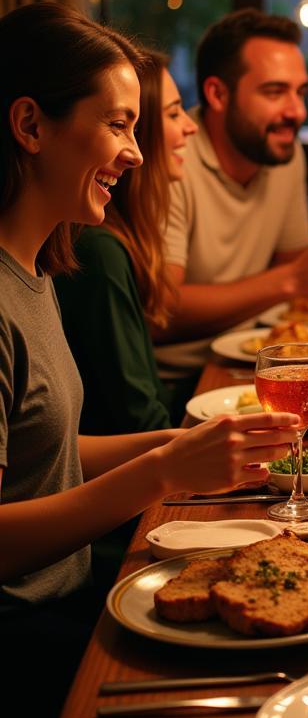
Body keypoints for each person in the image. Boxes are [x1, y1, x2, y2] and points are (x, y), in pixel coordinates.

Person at [0, 3, 299, 718]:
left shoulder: (33, 270)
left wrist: (178, 440)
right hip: (30, 642)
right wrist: (161, 472)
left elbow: (45, 455)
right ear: (30, 124)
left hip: (68, 607)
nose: (140, 152)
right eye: (120, 125)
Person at [153, 8, 308, 376]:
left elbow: (293, 272)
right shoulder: (172, 157)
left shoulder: (283, 150)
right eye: (275, 92)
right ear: (217, 94)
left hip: (264, 362)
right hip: (183, 379)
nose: (296, 112)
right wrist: (292, 279)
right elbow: (161, 310)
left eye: (300, 93)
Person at [56, 50, 196, 433]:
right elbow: (138, 420)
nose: (190, 127)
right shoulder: (97, 251)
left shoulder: (121, 239)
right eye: (172, 113)